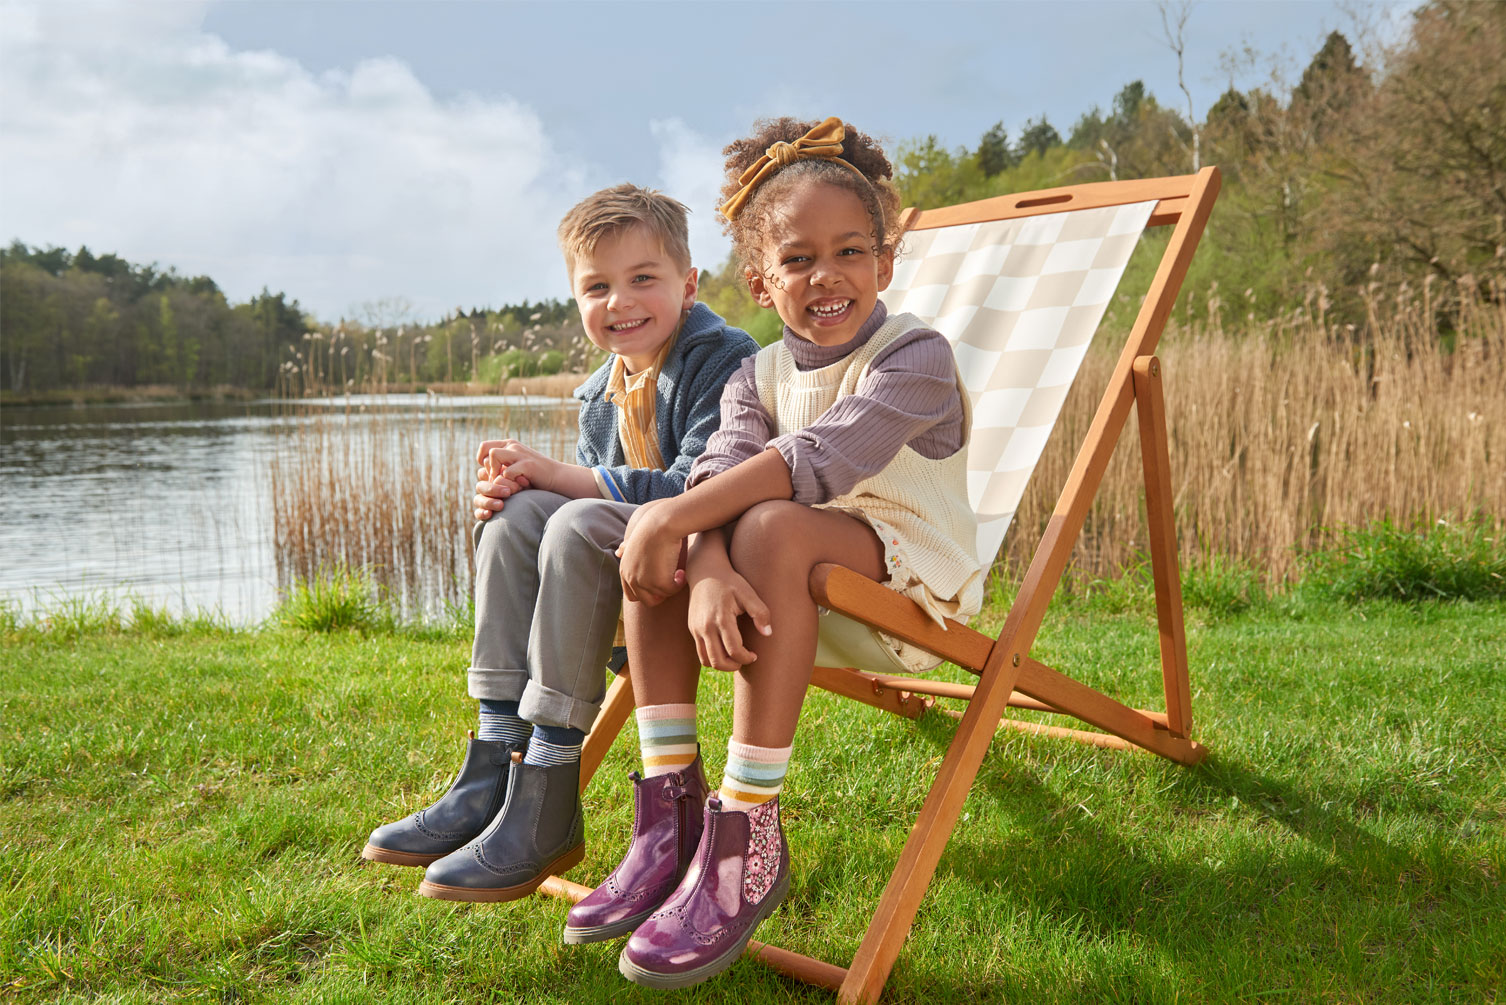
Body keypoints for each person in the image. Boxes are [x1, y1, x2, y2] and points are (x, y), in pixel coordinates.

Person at [566, 117, 983, 988]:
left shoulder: (916, 356)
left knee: (741, 522)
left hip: (909, 587)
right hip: (789, 590)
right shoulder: (751, 374)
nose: (826, 275)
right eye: (798, 260)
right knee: (684, 533)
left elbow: (814, 462)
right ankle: (669, 815)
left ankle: (748, 829)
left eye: (850, 252)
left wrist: (672, 521)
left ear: (885, 263)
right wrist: (704, 565)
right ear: (760, 279)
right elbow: (721, 469)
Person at [360, 183, 757, 904]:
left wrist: (561, 478)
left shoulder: (725, 359)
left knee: (571, 516)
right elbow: (585, 499)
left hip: (705, 564)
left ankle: (548, 784)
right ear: (576, 299)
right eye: (597, 286)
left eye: (643, 278)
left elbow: (697, 489)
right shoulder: (598, 395)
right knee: (519, 515)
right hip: (621, 573)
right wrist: (518, 492)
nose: (620, 301)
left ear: (689, 285)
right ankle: (493, 765)